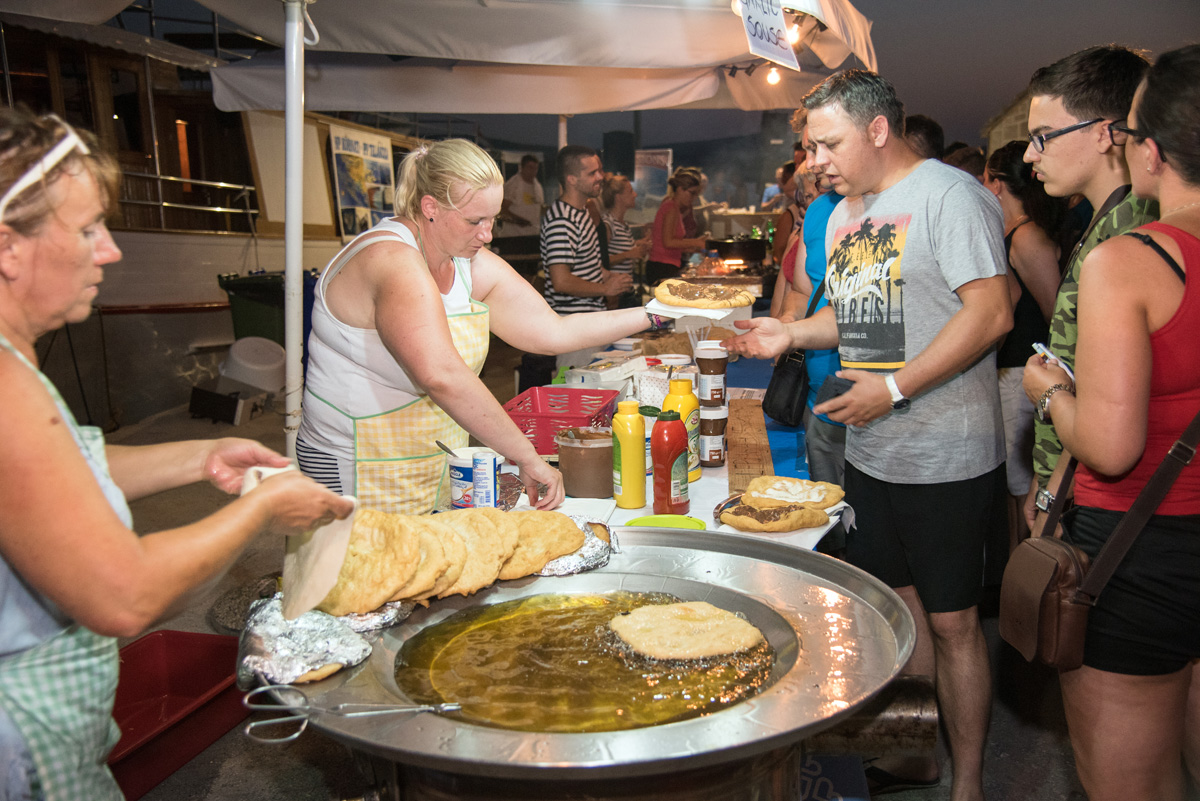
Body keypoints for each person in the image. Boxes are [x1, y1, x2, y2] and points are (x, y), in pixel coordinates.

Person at [0, 109, 355, 801]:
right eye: (88, 229)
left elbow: (52, 476)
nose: (110, 251)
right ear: (8, 246)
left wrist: (200, 456)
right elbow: (124, 593)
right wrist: (261, 509)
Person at [724, 70, 1012, 801]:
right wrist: (789, 331)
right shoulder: (848, 212)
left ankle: (970, 782)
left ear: (878, 130)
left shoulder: (950, 196)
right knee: (899, 610)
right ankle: (915, 756)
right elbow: (857, 317)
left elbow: (991, 312)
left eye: (827, 143)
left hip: (946, 453)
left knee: (953, 623)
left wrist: (895, 388)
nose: (814, 160)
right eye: (810, 147)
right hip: (873, 450)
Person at [1021, 44, 1200, 801]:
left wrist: (1048, 393)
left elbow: (1111, 445)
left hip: (1139, 548)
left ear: (1149, 151)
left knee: (1131, 782)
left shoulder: (1130, 259)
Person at [299, 139, 650, 514]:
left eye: (493, 219)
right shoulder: (391, 260)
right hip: (356, 463)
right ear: (430, 208)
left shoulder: (466, 261)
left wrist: (657, 312)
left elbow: (553, 332)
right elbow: (442, 376)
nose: (488, 235)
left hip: (431, 459)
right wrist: (526, 456)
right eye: (474, 221)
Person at [1022, 45, 1157, 536]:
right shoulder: (1107, 220)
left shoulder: (1132, 233)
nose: (1029, 154)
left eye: (1043, 137)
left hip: (1098, 497)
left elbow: (1116, 398)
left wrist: (1055, 491)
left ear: (1104, 133)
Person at [983, 141, 1066, 547]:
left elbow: (1057, 313)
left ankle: (1026, 564)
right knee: (1013, 483)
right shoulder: (1013, 232)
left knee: (1021, 486)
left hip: (1023, 372)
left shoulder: (1027, 235)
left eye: (986, 179)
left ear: (997, 184)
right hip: (1013, 370)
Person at [645, 166, 708, 286]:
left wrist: (694, 247)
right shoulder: (671, 208)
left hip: (664, 265)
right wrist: (696, 242)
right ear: (680, 189)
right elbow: (668, 242)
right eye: (692, 193)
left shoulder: (673, 207)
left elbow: (670, 244)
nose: (694, 198)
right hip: (661, 267)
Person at [600, 173, 650, 309]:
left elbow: (619, 248)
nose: (635, 195)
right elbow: (600, 260)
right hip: (615, 295)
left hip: (625, 292)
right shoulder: (608, 224)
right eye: (630, 191)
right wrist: (630, 254)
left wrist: (639, 245)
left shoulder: (623, 224)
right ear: (618, 197)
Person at [498, 153, 544, 239]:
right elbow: (502, 210)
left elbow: (539, 207)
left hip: (532, 235)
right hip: (513, 237)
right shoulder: (513, 185)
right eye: (530, 167)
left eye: (535, 168)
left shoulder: (538, 187)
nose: (533, 171)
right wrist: (518, 220)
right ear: (522, 167)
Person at [768, 160, 800, 268]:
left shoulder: (791, 215)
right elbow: (778, 255)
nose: (782, 180)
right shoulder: (793, 213)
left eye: (784, 176)